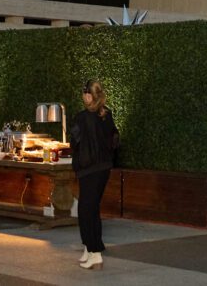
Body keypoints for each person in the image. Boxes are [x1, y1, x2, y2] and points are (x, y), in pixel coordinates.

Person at [71, 79, 119, 271]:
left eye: (86, 93)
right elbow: (114, 140)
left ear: (90, 95)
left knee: (85, 210)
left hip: (89, 169)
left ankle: (95, 251)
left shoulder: (82, 118)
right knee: (92, 208)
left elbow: (75, 143)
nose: (84, 96)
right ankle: (89, 249)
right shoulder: (106, 115)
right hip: (104, 168)